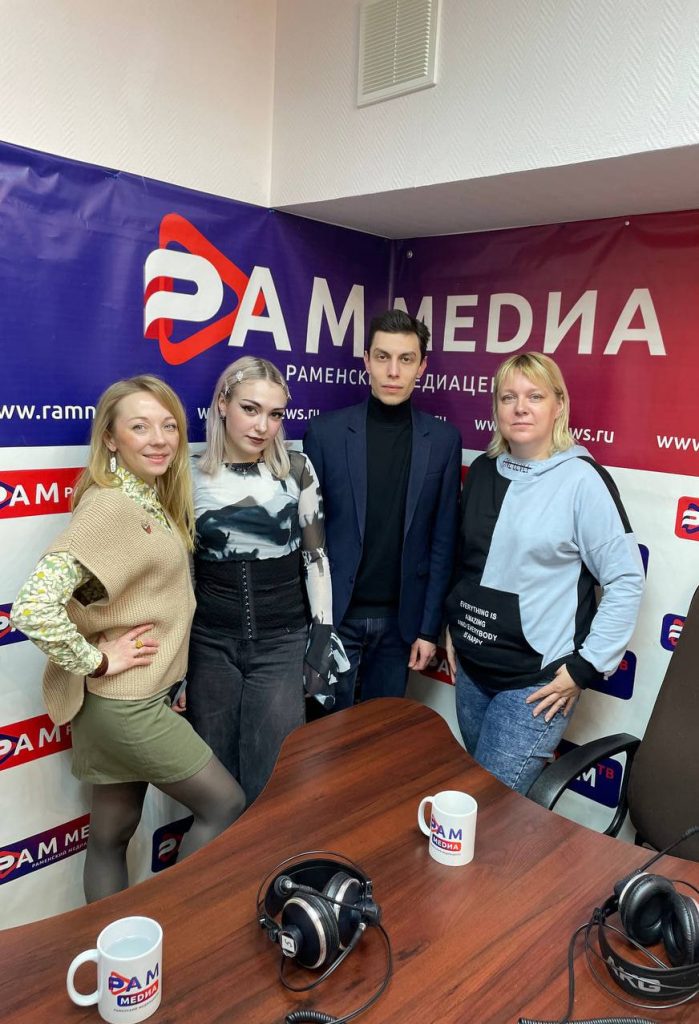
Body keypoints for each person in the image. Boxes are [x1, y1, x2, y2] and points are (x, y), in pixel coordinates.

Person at [11, 375, 244, 903]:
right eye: (140, 427)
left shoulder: (143, 499)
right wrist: (97, 660)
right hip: (126, 708)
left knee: (111, 836)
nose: (160, 439)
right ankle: (174, 923)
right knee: (224, 804)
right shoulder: (112, 506)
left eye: (169, 426)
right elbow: (33, 608)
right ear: (111, 439)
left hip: (122, 703)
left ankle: (113, 948)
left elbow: (119, 597)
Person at [445, 352, 645, 795]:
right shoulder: (483, 470)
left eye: (534, 396)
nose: (520, 408)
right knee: (483, 800)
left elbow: (626, 580)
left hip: (535, 686)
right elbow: (469, 562)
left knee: (491, 806)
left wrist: (584, 668)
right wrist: (454, 623)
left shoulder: (582, 480)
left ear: (559, 405)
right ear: (495, 407)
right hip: (472, 672)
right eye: (508, 397)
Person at [186, 356, 346, 806]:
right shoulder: (187, 474)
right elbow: (181, 572)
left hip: (282, 646)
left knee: (273, 786)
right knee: (215, 790)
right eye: (250, 409)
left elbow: (315, 557)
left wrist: (321, 639)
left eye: (275, 414)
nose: (262, 426)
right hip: (210, 647)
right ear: (223, 404)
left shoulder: (297, 468)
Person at [303, 308, 462, 710]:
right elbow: (307, 536)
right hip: (337, 616)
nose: (393, 371)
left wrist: (428, 629)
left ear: (421, 366)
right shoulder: (325, 433)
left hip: (401, 625)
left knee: (381, 736)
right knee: (326, 735)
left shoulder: (443, 441)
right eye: (382, 357)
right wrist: (315, 623)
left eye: (406, 359)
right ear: (367, 361)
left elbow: (443, 541)